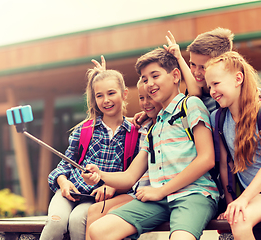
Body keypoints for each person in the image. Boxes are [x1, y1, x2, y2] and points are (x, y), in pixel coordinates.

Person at [82, 48, 219, 240]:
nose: (149, 84)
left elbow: (207, 159)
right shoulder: (154, 126)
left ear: (175, 75)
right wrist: (99, 175)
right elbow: (130, 177)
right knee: (99, 230)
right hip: (159, 200)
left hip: (193, 194)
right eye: (145, 80)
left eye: (155, 76)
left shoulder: (191, 105)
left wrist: (161, 190)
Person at [39, 64, 138, 240]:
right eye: (99, 95)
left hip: (96, 200)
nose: (106, 100)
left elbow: (134, 175)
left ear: (124, 94)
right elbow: (64, 165)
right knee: (56, 222)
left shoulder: (134, 134)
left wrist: (112, 185)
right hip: (71, 191)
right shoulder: (85, 129)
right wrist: (63, 183)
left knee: (79, 221)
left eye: (111, 93)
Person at [206, 51, 261, 240]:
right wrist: (232, 204)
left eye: (216, 83)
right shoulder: (219, 119)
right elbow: (226, 166)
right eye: (209, 86)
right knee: (238, 222)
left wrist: (244, 199)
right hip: (259, 193)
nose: (212, 91)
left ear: (238, 79)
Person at [85, 65, 162, 240]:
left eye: (150, 97)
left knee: (109, 214)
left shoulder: (164, 124)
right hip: (137, 191)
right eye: (142, 98)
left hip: (150, 193)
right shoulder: (144, 127)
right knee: (94, 210)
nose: (146, 102)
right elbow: (118, 121)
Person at [164, 28, 261, 115]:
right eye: (192, 64)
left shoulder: (248, 94)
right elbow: (194, 94)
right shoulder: (192, 93)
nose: (196, 72)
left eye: (203, 67)